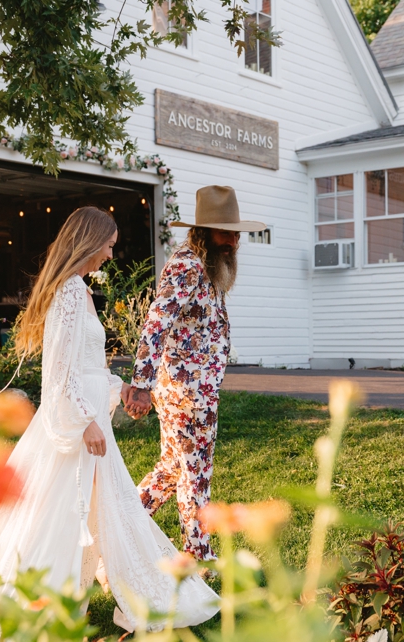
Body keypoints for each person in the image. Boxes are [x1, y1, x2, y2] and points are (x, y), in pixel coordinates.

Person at [0, 206, 218, 632]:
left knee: (101, 509)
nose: (111, 255)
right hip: (77, 427)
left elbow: (86, 366)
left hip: (92, 420)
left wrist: (119, 386)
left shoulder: (80, 290)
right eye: (108, 245)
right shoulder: (69, 293)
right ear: (89, 242)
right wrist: (83, 421)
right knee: (56, 513)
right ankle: (52, 600)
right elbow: (58, 374)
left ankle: (90, 599)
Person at [121, 185, 263, 561]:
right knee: (195, 475)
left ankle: (120, 527)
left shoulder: (207, 266)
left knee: (171, 469)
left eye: (236, 233)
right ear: (202, 232)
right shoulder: (187, 265)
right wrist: (140, 385)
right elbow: (156, 323)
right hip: (186, 394)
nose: (233, 240)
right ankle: (199, 559)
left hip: (196, 390)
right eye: (225, 232)